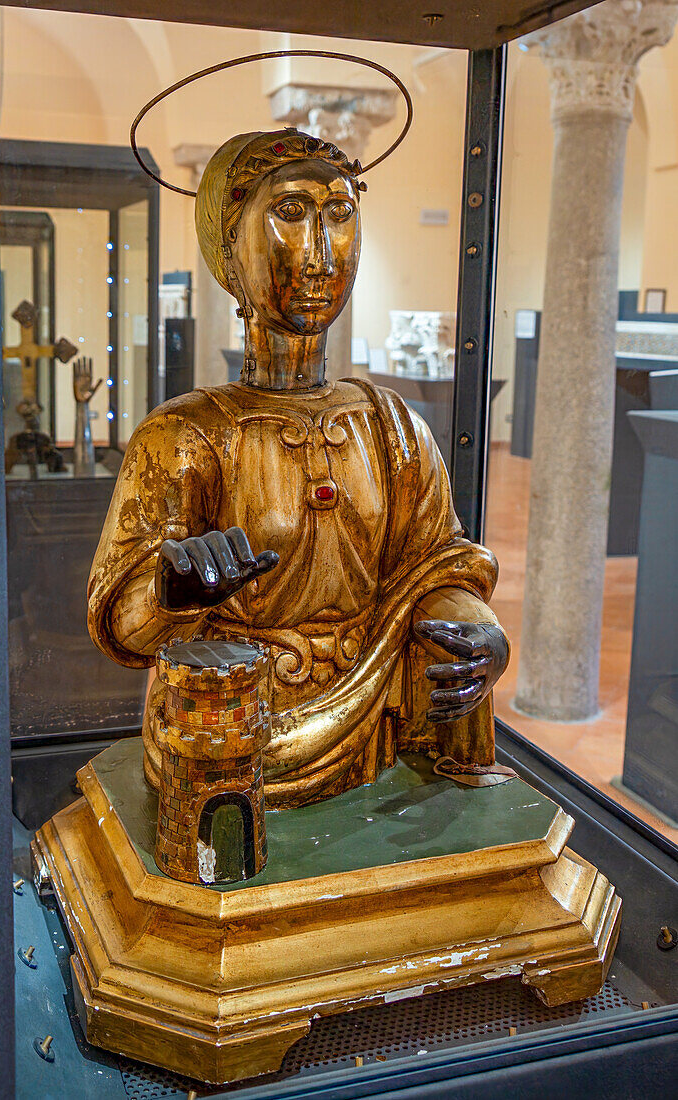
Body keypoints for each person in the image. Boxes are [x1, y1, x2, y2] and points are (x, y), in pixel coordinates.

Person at [88, 129, 509, 808]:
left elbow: (435, 570)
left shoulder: (392, 426)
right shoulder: (185, 436)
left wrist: (475, 632)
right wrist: (171, 592)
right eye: (289, 214)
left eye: (339, 216)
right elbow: (123, 630)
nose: (319, 255)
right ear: (230, 249)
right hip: (235, 731)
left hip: (375, 730)